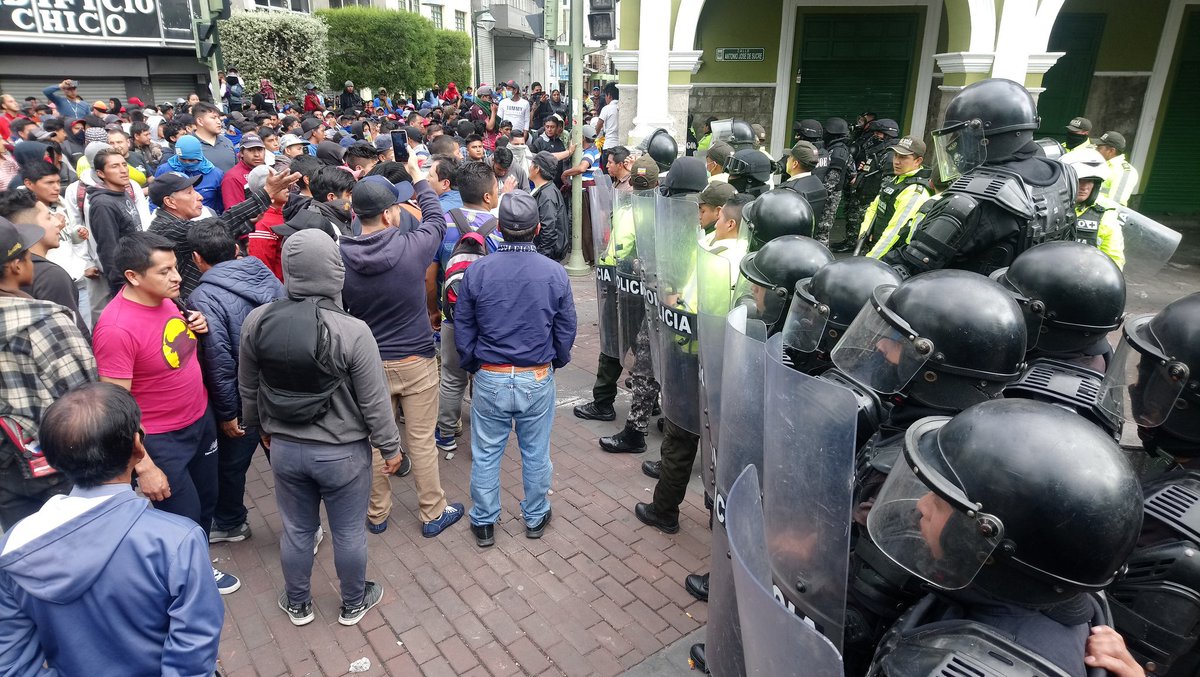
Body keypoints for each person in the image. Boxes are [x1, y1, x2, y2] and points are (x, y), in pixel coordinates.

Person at [864, 399, 1143, 677]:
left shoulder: (975, 668)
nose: (921, 505)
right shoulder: (1047, 590)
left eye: (939, 503)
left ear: (991, 542)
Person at [0, 382, 223, 676]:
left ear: (52, 459)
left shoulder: (15, 545)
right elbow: (193, 651)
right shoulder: (177, 540)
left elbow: (12, 665)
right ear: (138, 447)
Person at [239, 227, 401, 627]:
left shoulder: (257, 321)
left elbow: (248, 386)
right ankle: (352, 602)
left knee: (296, 531)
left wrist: (258, 426)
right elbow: (375, 401)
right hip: (343, 452)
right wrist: (390, 447)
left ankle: (297, 604)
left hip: (286, 449)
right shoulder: (353, 330)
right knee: (347, 532)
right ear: (334, 269)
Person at [92, 231, 241, 594]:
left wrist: (198, 329)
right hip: (160, 439)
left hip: (199, 420)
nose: (177, 277)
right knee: (182, 517)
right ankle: (189, 581)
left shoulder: (169, 300)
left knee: (206, 501)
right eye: (165, 271)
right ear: (133, 276)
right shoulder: (115, 328)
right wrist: (143, 465)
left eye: (175, 267)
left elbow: (175, 347)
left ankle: (198, 562)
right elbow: (116, 405)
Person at [340, 163, 465, 538]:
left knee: (377, 441)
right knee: (422, 441)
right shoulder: (411, 246)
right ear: (388, 213)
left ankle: (378, 513)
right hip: (415, 361)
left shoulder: (339, 253)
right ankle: (432, 511)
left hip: (367, 365)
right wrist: (419, 177)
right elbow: (437, 219)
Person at [454, 190, 576, 547]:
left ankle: (485, 521)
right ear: (537, 228)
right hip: (535, 373)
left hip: (491, 373)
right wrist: (554, 360)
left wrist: (474, 363)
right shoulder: (554, 273)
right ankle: (535, 516)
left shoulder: (478, 271)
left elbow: (463, 325)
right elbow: (566, 327)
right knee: (536, 452)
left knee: (486, 452)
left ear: (500, 230)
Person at [888, 79, 1075, 277]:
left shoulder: (976, 198)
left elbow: (912, 264)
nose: (954, 147)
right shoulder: (1063, 175)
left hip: (968, 303)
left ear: (985, 138)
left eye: (960, 137)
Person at [186, 219, 285, 544]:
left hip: (243, 400)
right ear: (235, 249)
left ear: (198, 258)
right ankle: (306, 524)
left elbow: (219, 361)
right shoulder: (263, 272)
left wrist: (228, 413)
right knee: (285, 461)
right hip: (280, 387)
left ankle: (230, 522)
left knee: (230, 466)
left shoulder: (203, 297)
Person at [0, 215, 94, 530]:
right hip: (58, 468)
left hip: (7, 471)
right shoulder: (45, 322)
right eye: (27, 253)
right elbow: (84, 400)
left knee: (32, 552)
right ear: (14, 266)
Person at [433, 161, 505, 454]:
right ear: (488, 196)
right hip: (488, 318)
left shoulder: (442, 223)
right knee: (484, 375)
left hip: (452, 312)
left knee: (451, 376)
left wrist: (433, 309)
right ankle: (482, 435)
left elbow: (430, 272)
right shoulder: (499, 230)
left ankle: (446, 434)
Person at [859, 135, 931, 259]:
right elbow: (874, 207)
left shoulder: (914, 191)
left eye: (903, 157)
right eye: (896, 155)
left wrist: (870, 260)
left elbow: (894, 232)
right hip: (878, 247)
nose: (896, 161)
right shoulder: (898, 179)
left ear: (918, 161)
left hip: (890, 255)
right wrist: (864, 232)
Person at [87, 147, 143, 296]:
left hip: (139, 270)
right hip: (126, 281)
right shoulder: (103, 204)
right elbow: (108, 248)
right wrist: (121, 285)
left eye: (124, 164)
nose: (123, 170)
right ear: (100, 173)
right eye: (114, 166)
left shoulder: (122, 193)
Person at [1061, 148, 1125, 269]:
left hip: (1087, 278)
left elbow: (1114, 261)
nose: (1085, 187)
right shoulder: (1049, 210)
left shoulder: (1105, 217)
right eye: (1080, 180)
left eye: (1090, 181)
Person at [155, 135, 225, 214]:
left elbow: (222, 205)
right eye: (183, 159)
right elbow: (154, 199)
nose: (187, 163)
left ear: (199, 156)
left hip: (205, 221)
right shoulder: (164, 170)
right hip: (173, 222)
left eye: (192, 160)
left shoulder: (215, 174)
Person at [814, 117, 854, 244]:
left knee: (822, 230)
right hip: (829, 193)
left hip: (830, 195)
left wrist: (821, 195)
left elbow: (833, 178)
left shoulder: (839, 151)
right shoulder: (836, 147)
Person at [529, 150, 568, 260]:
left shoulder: (547, 195)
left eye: (532, 164)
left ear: (537, 169)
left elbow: (549, 230)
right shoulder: (545, 190)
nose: (529, 166)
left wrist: (542, 257)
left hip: (548, 256)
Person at [780, 140, 829, 222]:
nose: (787, 159)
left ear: (795, 164)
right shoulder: (818, 184)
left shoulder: (789, 190)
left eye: (789, 157)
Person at [220, 132, 267, 209]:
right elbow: (234, 213)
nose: (257, 154)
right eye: (251, 150)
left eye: (260, 150)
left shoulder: (268, 171)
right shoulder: (232, 177)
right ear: (241, 153)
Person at [1094, 131, 1139, 206]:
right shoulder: (1099, 162)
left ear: (1111, 151)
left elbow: (1116, 205)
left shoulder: (1125, 171)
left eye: (1099, 148)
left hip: (1100, 214)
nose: (1096, 150)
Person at [190, 103, 237, 172]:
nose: (219, 122)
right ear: (200, 121)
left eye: (218, 118)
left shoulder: (227, 142)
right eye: (213, 118)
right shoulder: (189, 146)